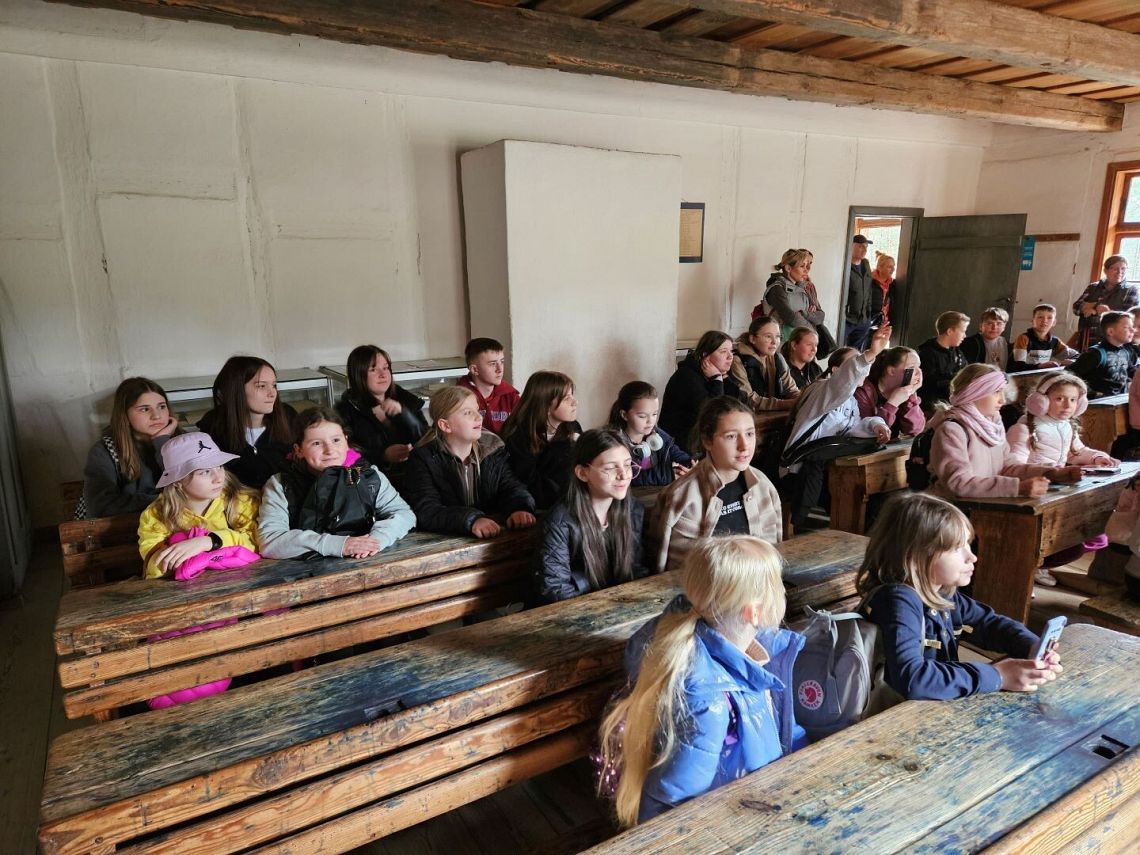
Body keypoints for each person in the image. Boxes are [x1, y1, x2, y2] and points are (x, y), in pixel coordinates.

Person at [597, 536, 806, 826]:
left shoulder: (760, 651)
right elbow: (673, 801)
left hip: (764, 798)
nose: (783, 590)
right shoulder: (708, 701)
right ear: (753, 611)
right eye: (778, 585)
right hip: (729, 823)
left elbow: (783, 725)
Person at [858, 492, 1062, 700]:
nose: (972, 557)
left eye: (968, 544)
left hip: (933, 702)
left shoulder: (941, 592)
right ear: (916, 555)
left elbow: (988, 624)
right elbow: (913, 679)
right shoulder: (898, 601)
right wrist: (999, 676)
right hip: (894, 711)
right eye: (957, 548)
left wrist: (1031, 646)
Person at [258, 407, 415, 559]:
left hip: (367, 559)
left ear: (346, 441)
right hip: (307, 571)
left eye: (336, 440)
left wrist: (376, 540)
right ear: (298, 450)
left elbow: (404, 514)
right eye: (316, 443)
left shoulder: (368, 475)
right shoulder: (281, 484)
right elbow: (271, 541)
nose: (330, 450)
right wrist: (340, 545)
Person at [651, 397, 782, 573]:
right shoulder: (681, 496)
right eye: (731, 436)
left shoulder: (764, 486)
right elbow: (666, 569)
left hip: (756, 585)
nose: (744, 446)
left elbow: (773, 556)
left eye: (750, 434)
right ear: (707, 441)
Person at [781, 328, 893, 528]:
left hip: (823, 467)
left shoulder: (851, 400)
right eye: (852, 362)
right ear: (835, 371)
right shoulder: (822, 389)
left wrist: (877, 425)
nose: (861, 368)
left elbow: (853, 428)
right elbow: (844, 380)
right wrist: (870, 353)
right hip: (797, 469)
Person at [925, 364, 1078, 499]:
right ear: (975, 392)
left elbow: (1008, 467)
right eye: (996, 392)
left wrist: (1050, 473)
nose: (1002, 400)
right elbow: (958, 482)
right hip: (957, 511)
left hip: (987, 508)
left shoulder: (992, 426)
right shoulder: (952, 430)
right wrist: (1017, 488)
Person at [402, 386, 536, 538]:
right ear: (445, 425)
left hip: (491, 537)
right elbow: (427, 510)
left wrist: (519, 508)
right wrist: (472, 520)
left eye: (477, 410)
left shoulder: (491, 450)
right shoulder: (423, 459)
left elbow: (511, 487)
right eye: (467, 413)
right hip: (443, 542)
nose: (479, 417)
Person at [532, 429, 646, 604]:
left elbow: (636, 568)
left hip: (617, 607)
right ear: (582, 473)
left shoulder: (632, 509)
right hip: (575, 610)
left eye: (627, 465)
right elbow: (556, 590)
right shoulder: (559, 522)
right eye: (610, 468)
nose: (624, 475)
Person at [138, 432, 259, 580]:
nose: (218, 478)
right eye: (205, 472)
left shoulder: (240, 501)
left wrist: (208, 542)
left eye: (219, 466)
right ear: (177, 481)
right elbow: (155, 567)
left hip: (243, 581)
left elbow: (256, 543)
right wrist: (180, 547)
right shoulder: (156, 514)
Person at [81, 377, 181, 518]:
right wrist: (166, 501)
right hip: (127, 528)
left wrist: (162, 441)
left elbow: (193, 487)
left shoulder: (183, 440)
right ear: (125, 414)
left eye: (162, 407)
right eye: (145, 409)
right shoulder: (104, 451)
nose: (156, 416)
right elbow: (100, 506)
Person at [334, 345, 427, 487]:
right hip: (373, 485)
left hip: (416, 479)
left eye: (386, 368)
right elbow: (346, 455)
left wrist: (405, 415)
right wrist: (383, 456)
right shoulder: (344, 411)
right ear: (358, 374)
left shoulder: (406, 401)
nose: (383, 374)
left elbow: (427, 440)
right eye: (373, 369)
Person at [198, 356, 296, 490]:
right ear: (236, 389)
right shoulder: (213, 426)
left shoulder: (289, 418)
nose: (272, 393)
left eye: (274, 385)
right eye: (261, 386)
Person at [501, 371, 582, 510]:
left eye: (572, 395)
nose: (575, 402)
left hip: (573, 502)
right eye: (566, 398)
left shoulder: (572, 427)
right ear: (546, 406)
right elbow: (527, 484)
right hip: (536, 508)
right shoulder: (519, 436)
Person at [659, 331, 735, 455]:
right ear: (706, 355)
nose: (730, 357)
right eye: (723, 352)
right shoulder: (687, 376)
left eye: (731, 351)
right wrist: (717, 380)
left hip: (701, 444)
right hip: (681, 449)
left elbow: (739, 402)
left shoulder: (716, 373)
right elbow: (712, 412)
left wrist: (724, 378)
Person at [607, 381, 691, 487]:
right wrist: (669, 475)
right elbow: (631, 478)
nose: (650, 421)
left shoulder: (657, 434)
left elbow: (677, 453)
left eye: (654, 414)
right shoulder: (614, 445)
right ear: (624, 415)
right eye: (642, 416)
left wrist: (690, 464)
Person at [726, 316, 799, 412]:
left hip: (773, 415)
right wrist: (787, 404)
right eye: (768, 336)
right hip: (747, 415)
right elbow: (748, 399)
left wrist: (802, 399)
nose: (774, 342)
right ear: (752, 339)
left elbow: (792, 390)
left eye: (777, 336)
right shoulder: (738, 359)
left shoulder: (777, 358)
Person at [854, 346, 925, 439]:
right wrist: (893, 403)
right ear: (891, 371)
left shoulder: (904, 390)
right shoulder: (863, 391)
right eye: (911, 368)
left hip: (891, 446)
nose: (918, 373)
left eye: (918, 367)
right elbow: (870, 434)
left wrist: (910, 394)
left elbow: (915, 430)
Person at [1072, 255, 1138, 350]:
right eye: (1115, 268)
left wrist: (1105, 311)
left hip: (1112, 341)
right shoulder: (1093, 287)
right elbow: (1076, 307)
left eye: (1123, 269)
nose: (1120, 272)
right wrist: (1095, 307)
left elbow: (1131, 317)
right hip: (1086, 339)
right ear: (1105, 270)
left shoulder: (1131, 290)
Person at [456, 337, 520, 434]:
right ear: (474, 370)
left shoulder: (510, 396)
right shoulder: (457, 399)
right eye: (492, 364)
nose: (500, 369)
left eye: (502, 362)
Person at [1069, 310, 1135, 397]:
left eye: (1132, 327)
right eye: (1126, 327)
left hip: (1119, 400)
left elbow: (1131, 372)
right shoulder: (1096, 354)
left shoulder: (1127, 352)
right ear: (1110, 331)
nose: (1133, 330)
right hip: (1097, 402)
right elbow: (1069, 374)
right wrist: (1091, 393)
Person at [761, 249, 823, 339]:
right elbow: (791, 318)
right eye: (802, 266)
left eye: (807, 266)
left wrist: (804, 314)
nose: (806, 270)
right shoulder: (777, 289)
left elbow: (821, 316)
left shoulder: (804, 287)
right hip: (783, 342)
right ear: (788, 268)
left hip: (801, 341)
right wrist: (812, 332)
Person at [917, 310, 970, 412]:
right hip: (933, 408)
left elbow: (965, 371)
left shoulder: (958, 353)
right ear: (950, 331)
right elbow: (928, 384)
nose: (965, 336)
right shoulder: (927, 354)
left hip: (952, 405)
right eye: (963, 331)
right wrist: (955, 379)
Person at [1010, 304, 1077, 371]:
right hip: (1020, 376)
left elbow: (1077, 356)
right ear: (1032, 321)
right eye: (1040, 317)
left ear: (1054, 322)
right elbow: (1018, 366)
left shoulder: (1054, 341)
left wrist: (1072, 361)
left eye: (1049, 318)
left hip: (1040, 375)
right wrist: (1040, 366)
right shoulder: (1024, 338)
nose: (1044, 321)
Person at [844, 235, 875, 348]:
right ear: (851, 246)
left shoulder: (866, 264)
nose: (865, 250)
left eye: (866, 247)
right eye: (861, 246)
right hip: (847, 319)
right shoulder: (844, 264)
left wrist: (868, 313)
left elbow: (869, 289)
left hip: (863, 319)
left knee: (856, 352)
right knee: (839, 350)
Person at [871, 251, 896, 324]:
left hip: (885, 323)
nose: (893, 269)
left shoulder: (892, 284)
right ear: (879, 267)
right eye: (889, 267)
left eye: (893, 266)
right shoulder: (869, 281)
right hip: (870, 323)